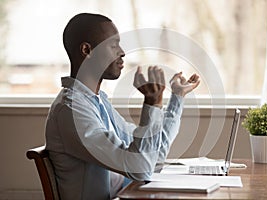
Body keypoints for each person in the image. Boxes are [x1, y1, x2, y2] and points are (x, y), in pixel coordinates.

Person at [45, 13, 200, 200]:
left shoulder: (96, 102)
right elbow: (140, 168)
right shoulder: (71, 111)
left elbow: (152, 156)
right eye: (113, 44)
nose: (122, 52)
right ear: (87, 50)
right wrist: (152, 104)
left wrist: (177, 97)